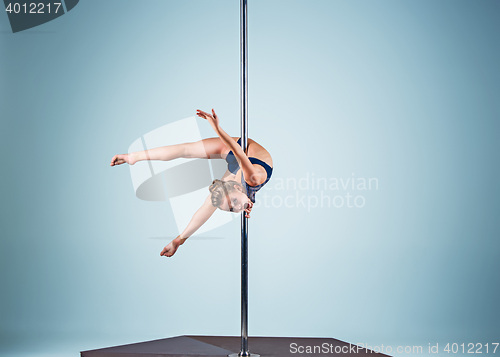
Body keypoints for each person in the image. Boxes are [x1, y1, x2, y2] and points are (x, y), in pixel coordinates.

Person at [110, 109, 273, 257]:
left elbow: (239, 154)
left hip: (242, 154)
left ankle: (133, 157)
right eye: (233, 207)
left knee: (211, 202)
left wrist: (178, 240)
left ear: (237, 186)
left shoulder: (247, 183)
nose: (236, 208)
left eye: (232, 206)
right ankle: (133, 157)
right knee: (186, 150)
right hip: (241, 156)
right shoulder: (252, 181)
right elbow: (237, 154)